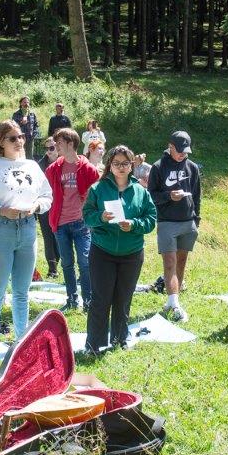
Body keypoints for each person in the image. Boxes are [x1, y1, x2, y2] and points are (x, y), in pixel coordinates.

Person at [0, 120, 53, 360]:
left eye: (21, 137)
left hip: (27, 229)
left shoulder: (32, 167)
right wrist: (1, 211)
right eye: (13, 138)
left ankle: (20, 343)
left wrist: (37, 205)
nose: (19, 142)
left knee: (22, 292)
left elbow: (47, 196)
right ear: (1, 142)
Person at [83, 145, 157, 353]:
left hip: (132, 253)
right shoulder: (98, 189)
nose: (121, 167)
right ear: (110, 165)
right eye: (116, 164)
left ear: (132, 165)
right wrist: (100, 218)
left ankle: (120, 339)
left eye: (125, 163)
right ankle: (94, 344)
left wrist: (133, 224)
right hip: (102, 252)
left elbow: (151, 220)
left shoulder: (141, 192)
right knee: (101, 298)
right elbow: (87, 216)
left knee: (123, 298)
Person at [148, 131, 201, 323]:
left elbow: (197, 196)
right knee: (169, 262)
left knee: (181, 261)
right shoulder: (158, 167)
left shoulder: (192, 168)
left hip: (188, 221)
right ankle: (175, 303)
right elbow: (151, 196)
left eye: (186, 151)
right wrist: (169, 196)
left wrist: (197, 220)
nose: (183, 155)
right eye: (180, 151)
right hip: (167, 222)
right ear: (170, 146)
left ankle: (173, 299)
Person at [45, 128, 100, 313]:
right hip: (60, 223)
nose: (56, 146)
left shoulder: (89, 170)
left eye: (59, 143)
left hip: (81, 222)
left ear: (70, 144)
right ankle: (71, 300)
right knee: (67, 263)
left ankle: (89, 301)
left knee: (85, 262)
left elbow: (97, 195)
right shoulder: (53, 170)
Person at [35, 137, 61, 279]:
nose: (49, 151)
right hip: (44, 205)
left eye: (52, 148)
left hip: (61, 206)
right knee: (48, 237)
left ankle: (56, 262)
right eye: (46, 149)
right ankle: (52, 269)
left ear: (58, 148)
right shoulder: (40, 165)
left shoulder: (65, 163)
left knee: (58, 236)